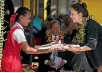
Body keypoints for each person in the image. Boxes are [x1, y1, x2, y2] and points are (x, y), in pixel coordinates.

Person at [1, 7, 53, 72]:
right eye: (28, 18)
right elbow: (27, 49)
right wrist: (46, 51)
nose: (30, 21)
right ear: (21, 17)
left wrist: (21, 64)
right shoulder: (18, 31)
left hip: (10, 62)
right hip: (11, 63)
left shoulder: (15, 28)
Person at [63, 2, 102, 72]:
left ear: (80, 14)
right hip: (96, 65)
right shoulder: (82, 27)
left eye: (72, 14)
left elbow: (91, 45)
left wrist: (78, 49)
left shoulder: (91, 24)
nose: (70, 16)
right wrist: (64, 46)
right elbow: (81, 46)